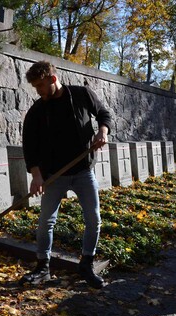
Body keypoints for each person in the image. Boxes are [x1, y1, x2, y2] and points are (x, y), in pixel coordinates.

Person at [20, 61, 112, 289]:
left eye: (41, 85)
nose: (39, 91)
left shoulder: (81, 95)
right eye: (35, 87)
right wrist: (36, 175)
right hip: (54, 175)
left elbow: (103, 114)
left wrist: (102, 131)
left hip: (83, 172)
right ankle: (43, 267)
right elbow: (29, 146)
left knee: (94, 220)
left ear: (53, 79)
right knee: (45, 223)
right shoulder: (37, 110)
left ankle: (86, 264)